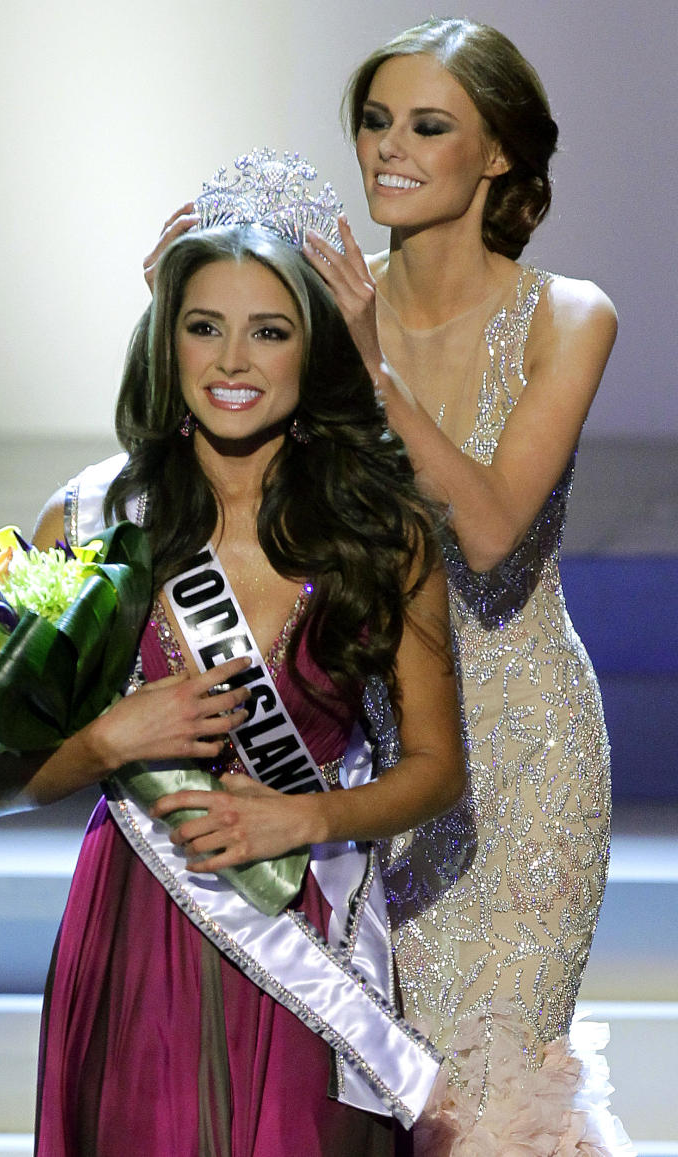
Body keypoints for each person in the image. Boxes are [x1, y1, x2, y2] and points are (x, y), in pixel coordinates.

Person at [0, 164, 466, 1156]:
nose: (231, 358)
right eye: (204, 326)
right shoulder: (88, 520)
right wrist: (112, 735)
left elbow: (438, 768)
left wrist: (303, 812)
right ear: (168, 340)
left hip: (307, 934)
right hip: (135, 931)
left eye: (268, 330)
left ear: (311, 349)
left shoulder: (380, 528)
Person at [295, 18, 629, 1156]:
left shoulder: (569, 315)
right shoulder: (326, 303)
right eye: (377, 120)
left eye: (427, 125)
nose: (390, 147)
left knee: (488, 1113)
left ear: (496, 156)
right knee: (386, 1109)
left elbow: (490, 528)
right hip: (374, 753)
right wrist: (181, 314)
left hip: (527, 771)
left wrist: (369, 368)